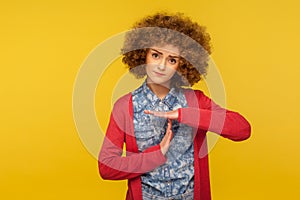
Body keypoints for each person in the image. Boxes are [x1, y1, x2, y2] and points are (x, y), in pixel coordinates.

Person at [98, 12, 251, 200]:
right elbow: (107, 168)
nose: (161, 66)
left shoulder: (196, 101)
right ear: (143, 55)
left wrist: (186, 115)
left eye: (172, 60)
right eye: (156, 55)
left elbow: (242, 130)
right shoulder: (124, 106)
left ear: (182, 64)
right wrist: (156, 155)